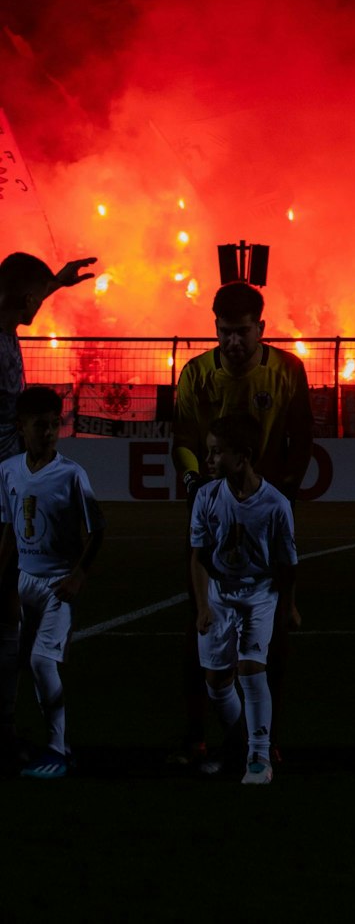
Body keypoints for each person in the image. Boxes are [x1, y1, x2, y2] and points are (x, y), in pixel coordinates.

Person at [169, 281, 314, 770]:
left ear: (261, 329)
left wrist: (280, 494)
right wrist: (194, 483)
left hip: (264, 521)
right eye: (224, 332)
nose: (233, 342)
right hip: (211, 518)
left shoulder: (287, 372)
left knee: (270, 636)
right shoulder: (195, 374)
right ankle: (197, 736)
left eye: (242, 332)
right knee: (202, 623)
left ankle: (266, 738)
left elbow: (303, 439)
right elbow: (183, 437)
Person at [0, 251, 94, 755]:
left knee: (12, 611)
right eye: (35, 297)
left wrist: (55, 282)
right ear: (17, 296)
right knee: (7, 611)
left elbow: (20, 293)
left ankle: (8, 724)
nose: (40, 305)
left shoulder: (8, 325)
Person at [189, 415, 299, 785]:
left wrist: (289, 606)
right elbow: (199, 555)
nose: (209, 460)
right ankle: (239, 744)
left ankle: (259, 758)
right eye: (209, 451)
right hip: (220, 594)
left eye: (217, 453)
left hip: (258, 594)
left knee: (252, 671)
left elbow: (287, 565)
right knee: (216, 682)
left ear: (244, 457)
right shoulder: (206, 496)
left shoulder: (276, 505)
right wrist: (204, 605)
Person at [0, 387, 104, 778]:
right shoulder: (8, 471)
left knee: (43, 662)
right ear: (20, 427)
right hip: (23, 581)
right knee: (10, 662)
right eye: (39, 425)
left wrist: (78, 575)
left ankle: (58, 750)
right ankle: (11, 737)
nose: (48, 432)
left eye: (53, 424)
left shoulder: (72, 474)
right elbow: (9, 532)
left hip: (58, 584)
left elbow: (98, 530)